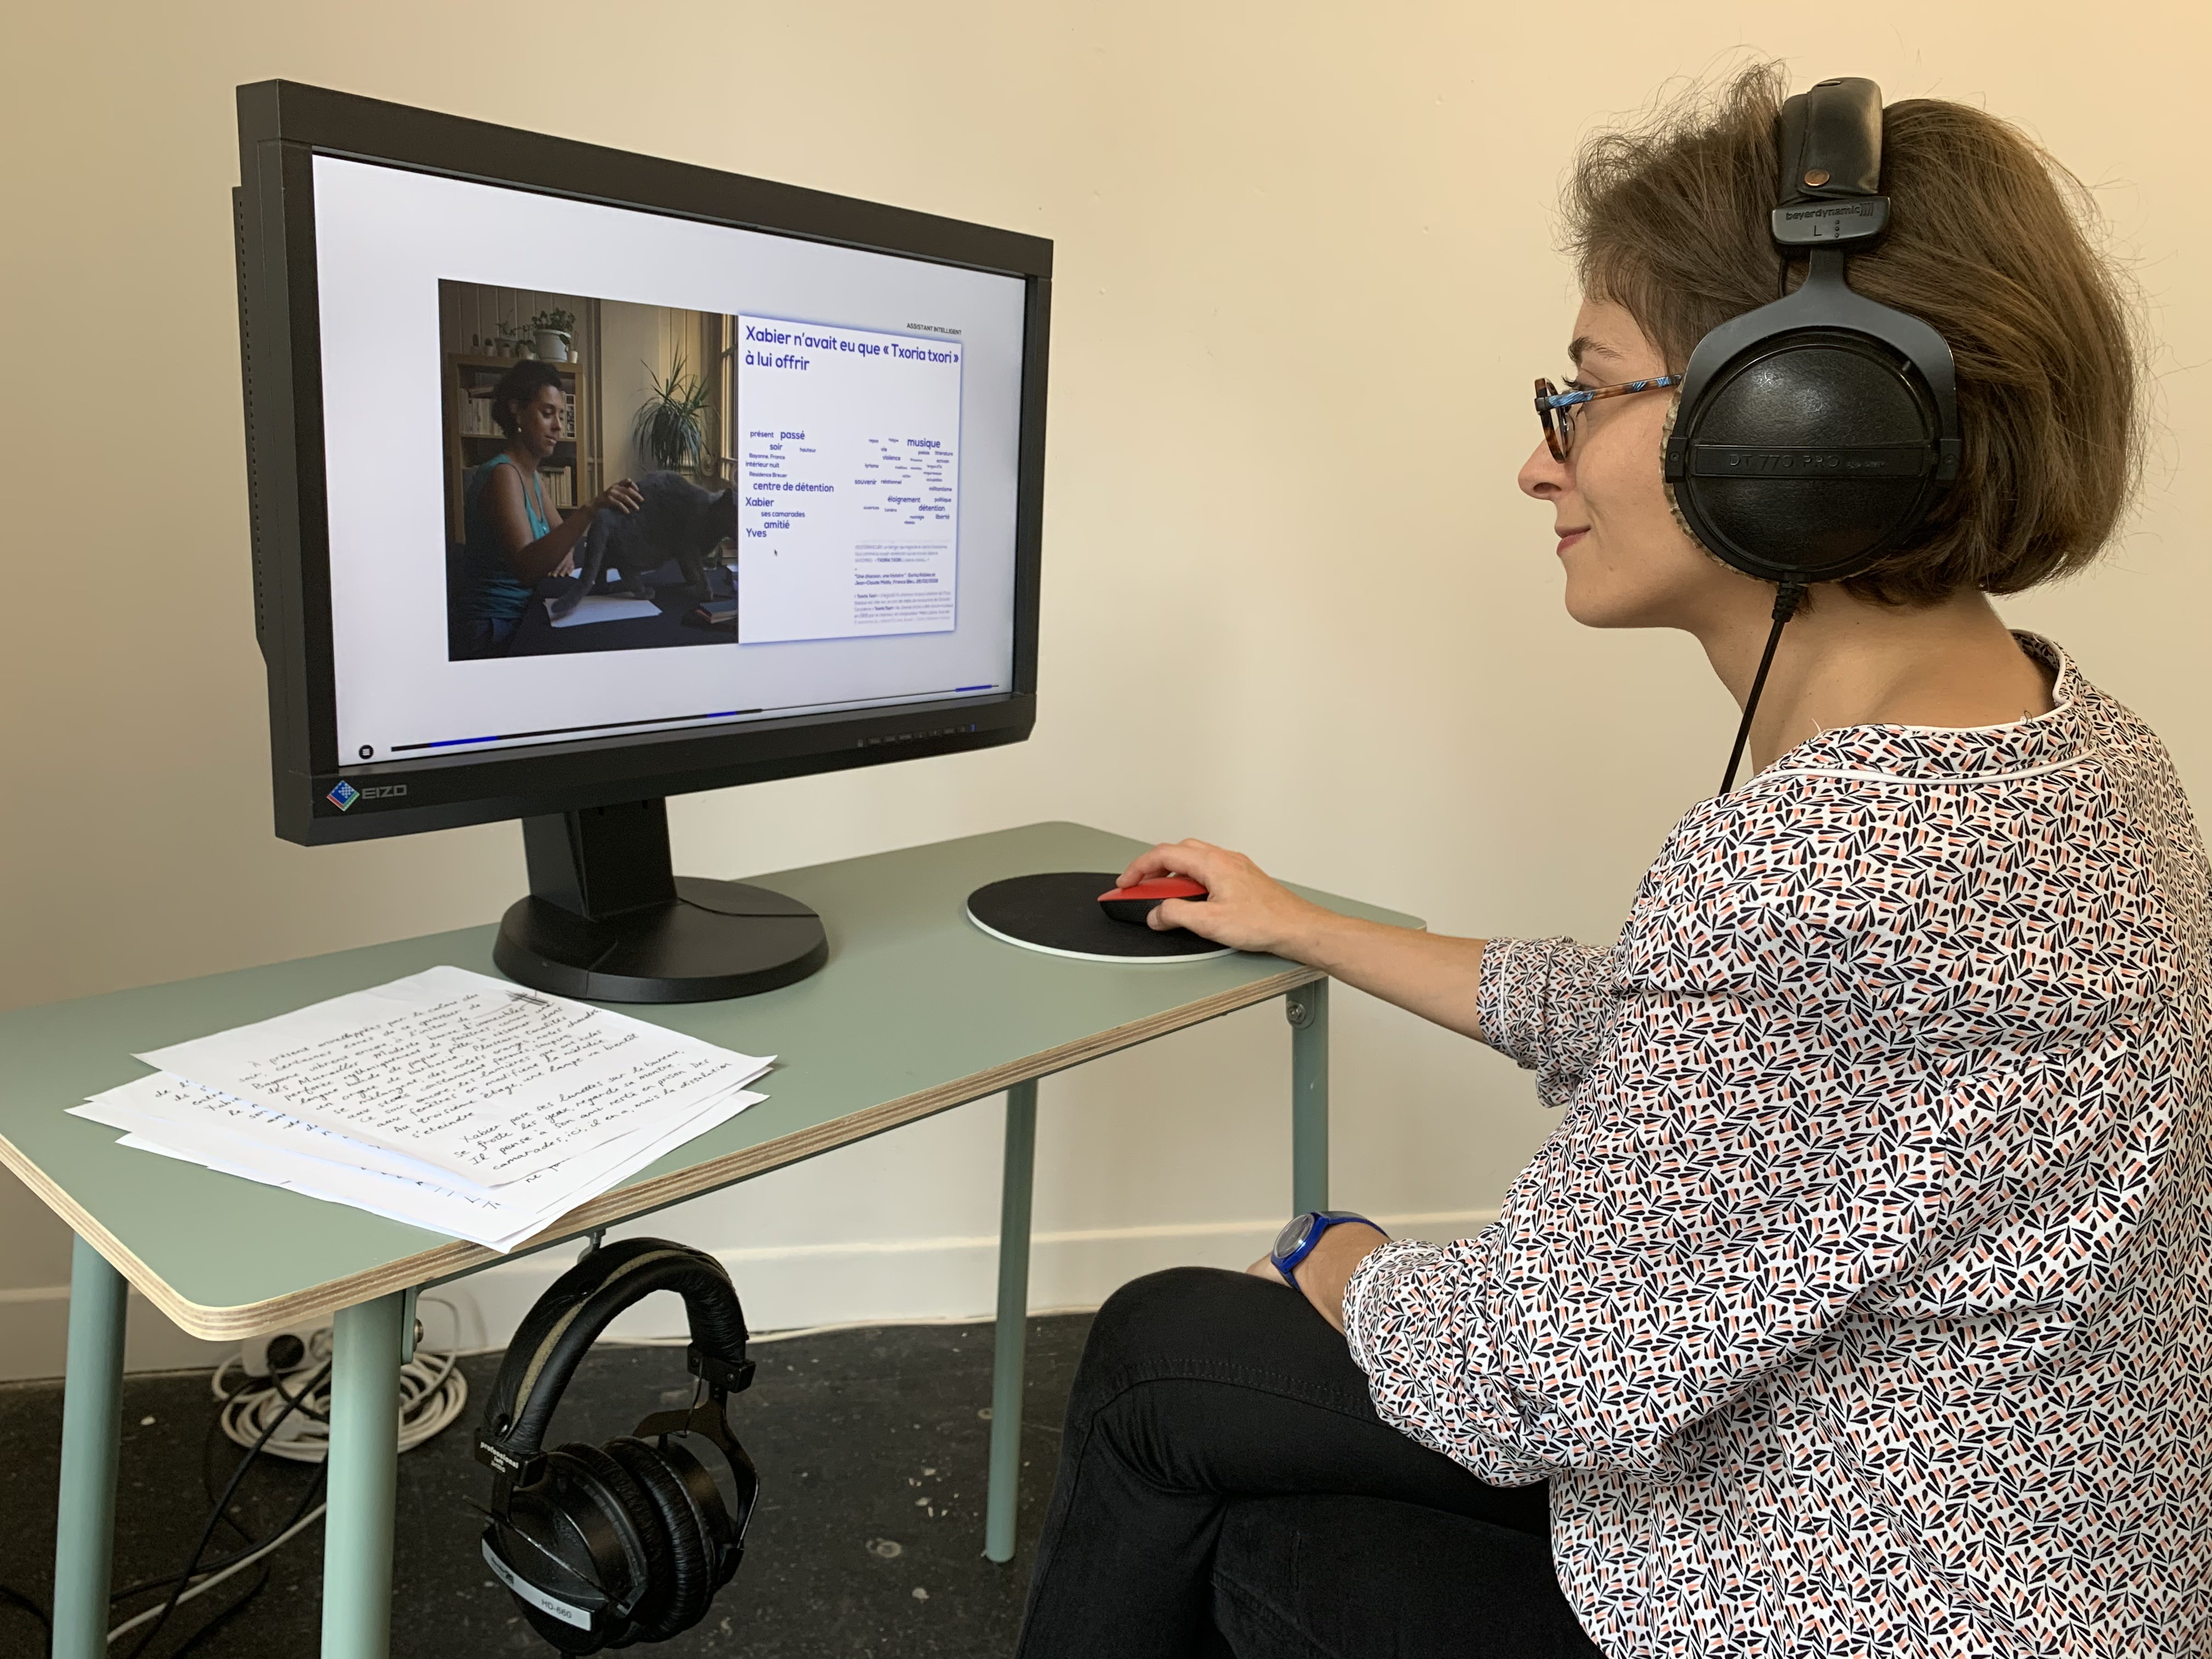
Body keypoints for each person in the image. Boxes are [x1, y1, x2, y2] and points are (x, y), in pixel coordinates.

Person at [1013, 65, 2208, 1659]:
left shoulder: (1820, 868)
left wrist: (1330, 1253)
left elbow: (1527, 1376)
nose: (1541, 461)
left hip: (1834, 1589)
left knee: (1223, 1473)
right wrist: (1303, 924)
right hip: (1999, 1549)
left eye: (1583, 393)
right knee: (1180, 1364)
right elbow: (1692, 1033)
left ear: (1794, 423)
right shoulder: (2083, 750)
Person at [453, 359, 643, 658]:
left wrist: (560, 549)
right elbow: (529, 568)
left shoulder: (531, 475)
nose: (558, 427)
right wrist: (591, 508)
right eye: (547, 413)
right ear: (517, 411)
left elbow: (563, 538)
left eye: (561, 416)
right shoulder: (503, 475)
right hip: (497, 628)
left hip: (527, 610)